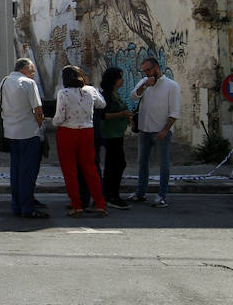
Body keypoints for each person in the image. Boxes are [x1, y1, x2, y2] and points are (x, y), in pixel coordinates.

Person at [52, 65, 107, 217]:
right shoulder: (91, 90)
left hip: (67, 132)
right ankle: (100, 204)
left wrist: (52, 122)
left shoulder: (63, 93)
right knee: (91, 170)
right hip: (87, 131)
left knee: (70, 171)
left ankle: (76, 205)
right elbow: (102, 104)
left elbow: (59, 118)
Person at [129, 57, 181, 208]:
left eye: (148, 70)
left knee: (163, 164)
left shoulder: (172, 86)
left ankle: (161, 195)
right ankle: (140, 192)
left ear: (157, 68)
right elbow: (133, 96)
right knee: (142, 163)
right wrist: (145, 85)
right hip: (144, 130)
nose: (147, 73)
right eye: (144, 71)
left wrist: (165, 130)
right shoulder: (144, 82)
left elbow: (174, 112)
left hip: (160, 131)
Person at [0, 58, 47, 219]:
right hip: (28, 131)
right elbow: (38, 109)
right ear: (25, 68)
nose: (33, 73)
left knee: (16, 171)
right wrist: (40, 124)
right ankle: (27, 207)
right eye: (32, 70)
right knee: (28, 172)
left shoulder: (5, 81)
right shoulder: (28, 83)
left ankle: (17, 205)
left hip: (11, 131)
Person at [99, 67, 133, 209]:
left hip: (117, 134)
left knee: (116, 164)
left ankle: (110, 193)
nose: (122, 80)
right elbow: (103, 115)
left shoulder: (115, 94)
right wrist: (122, 114)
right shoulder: (106, 96)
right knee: (117, 164)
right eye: (120, 78)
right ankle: (112, 195)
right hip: (110, 134)